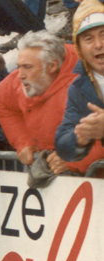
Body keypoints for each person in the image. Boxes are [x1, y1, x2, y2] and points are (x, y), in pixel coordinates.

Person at [0, 30, 104, 174]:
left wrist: (76, 159)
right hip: (55, 169)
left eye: (27, 67)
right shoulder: (16, 82)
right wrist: (23, 142)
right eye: (19, 66)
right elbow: (2, 103)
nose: (20, 75)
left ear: (52, 66)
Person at [55, 0, 104, 168]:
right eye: (88, 38)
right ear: (79, 48)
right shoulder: (78, 88)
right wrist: (80, 137)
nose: (99, 44)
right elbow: (62, 141)